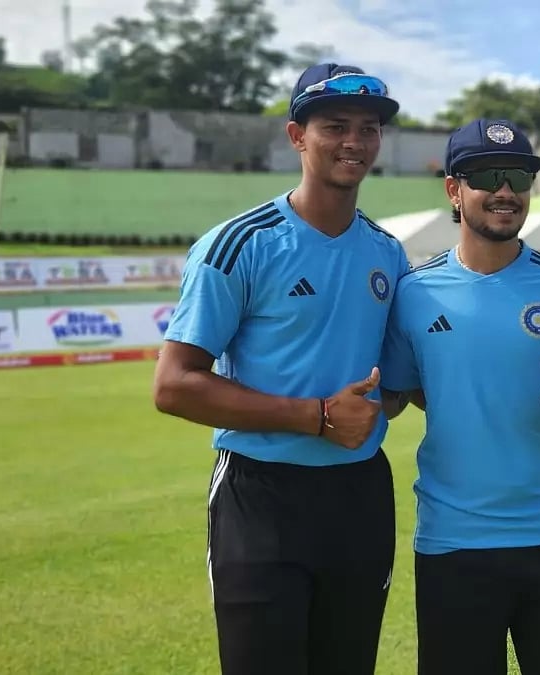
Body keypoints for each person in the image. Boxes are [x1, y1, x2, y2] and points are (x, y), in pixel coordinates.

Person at [152, 63, 412, 675]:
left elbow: (396, 380)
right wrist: (317, 417)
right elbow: (173, 385)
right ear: (297, 136)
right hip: (260, 496)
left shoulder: (387, 252)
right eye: (335, 126)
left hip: (359, 494)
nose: (355, 141)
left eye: (369, 129)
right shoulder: (239, 243)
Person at [380, 119, 540, 675]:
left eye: (519, 177)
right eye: (487, 176)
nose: (505, 191)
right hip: (453, 544)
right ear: (454, 189)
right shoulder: (414, 294)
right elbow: (401, 392)